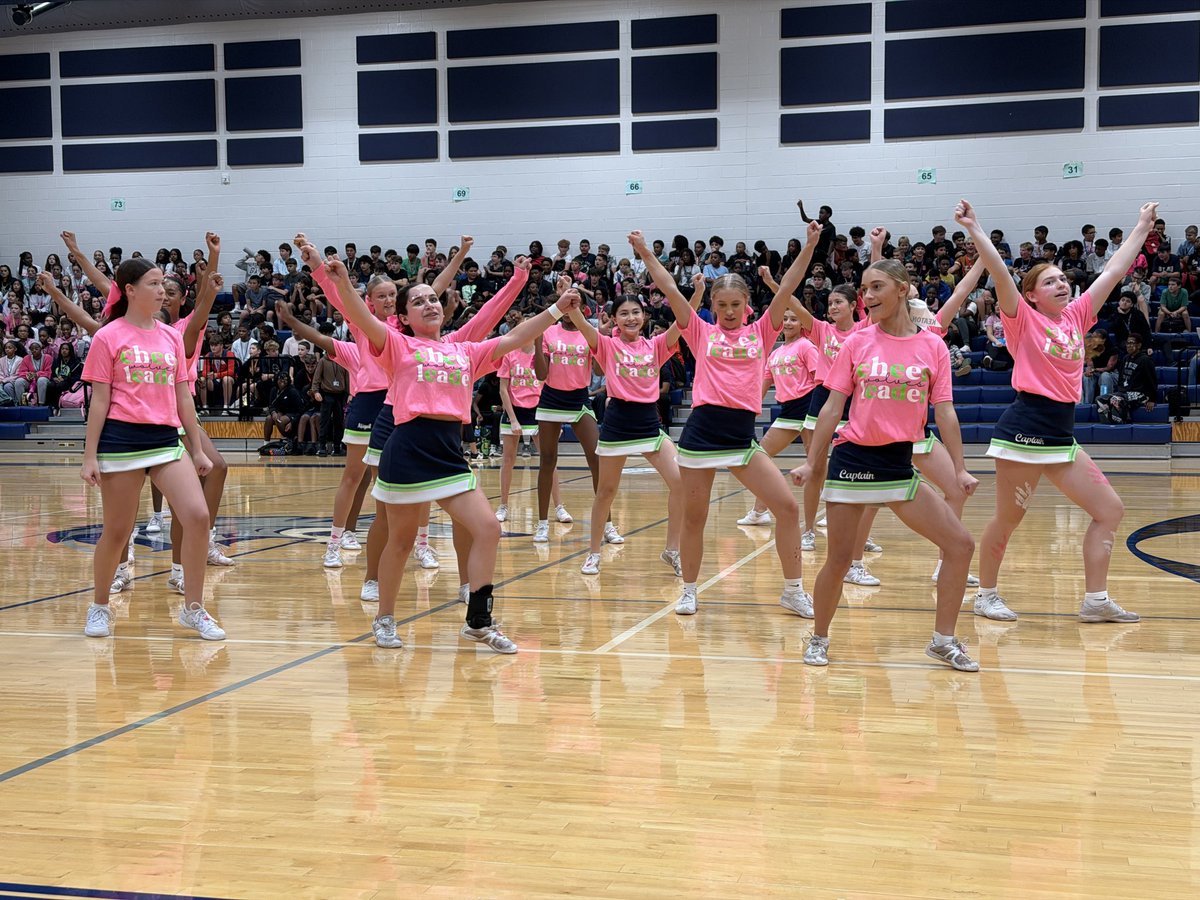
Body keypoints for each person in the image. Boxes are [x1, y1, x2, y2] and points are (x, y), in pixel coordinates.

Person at [319, 249, 584, 651]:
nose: (429, 304)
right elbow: (361, 317)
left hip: (449, 454)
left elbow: (513, 336)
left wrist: (556, 309)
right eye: (418, 301)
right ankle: (385, 618)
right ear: (404, 317)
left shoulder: (465, 352)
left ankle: (478, 620)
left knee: (488, 528)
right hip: (407, 451)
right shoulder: (397, 345)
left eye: (433, 299)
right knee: (402, 542)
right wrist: (337, 282)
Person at [955, 197, 1156, 624]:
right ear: (1031, 294)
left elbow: (1115, 270)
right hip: (1024, 432)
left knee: (1110, 510)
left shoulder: (1076, 317)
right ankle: (986, 594)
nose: (1062, 284)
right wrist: (975, 228)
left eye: (1063, 279)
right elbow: (999, 273)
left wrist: (1141, 226)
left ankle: (1096, 600)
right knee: (1008, 521)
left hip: (1061, 436)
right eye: (1050, 282)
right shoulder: (1022, 319)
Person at [791, 258, 978, 670]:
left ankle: (943, 641)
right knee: (839, 559)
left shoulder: (932, 346)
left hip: (899, 464)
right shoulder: (857, 342)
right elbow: (832, 408)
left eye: (876, 288)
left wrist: (960, 468)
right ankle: (819, 637)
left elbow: (945, 412)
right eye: (865, 289)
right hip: (854, 461)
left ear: (902, 289)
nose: (868, 296)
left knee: (961, 545)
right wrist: (811, 462)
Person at [630, 226, 811, 618]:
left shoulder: (763, 331)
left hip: (742, 438)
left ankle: (793, 590)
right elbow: (670, 288)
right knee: (696, 518)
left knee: (787, 509)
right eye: (722, 304)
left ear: (747, 304)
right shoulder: (699, 330)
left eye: (736, 304)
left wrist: (811, 244)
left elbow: (788, 286)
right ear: (713, 305)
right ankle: (690, 590)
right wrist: (645, 252)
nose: (729, 312)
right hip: (701, 436)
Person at [78, 258, 223, 641]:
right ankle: (99, 607)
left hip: (164, 439)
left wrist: (197, 448)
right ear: (129, 290)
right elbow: (99, 401)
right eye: (154, 283)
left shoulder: (170, 336)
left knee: (196, 515)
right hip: (122, 441)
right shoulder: (108, 337)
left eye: (163, 284)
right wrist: (89, 455)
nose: (161, 290)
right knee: (117, 532)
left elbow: (182, 396)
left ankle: (194, 607)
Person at [568, 274, 701, 577]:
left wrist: (697, 293)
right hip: (617, 426)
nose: (631, 317)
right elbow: (582, 325)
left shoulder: (655, 346)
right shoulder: (607, 345)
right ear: (614, 318)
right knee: (606, 492)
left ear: (644, 316)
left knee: (681, 482)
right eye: (624, 313)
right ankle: (593, 554)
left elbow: (683, 322)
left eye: (636, 312)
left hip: (649, 424)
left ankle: (672, 550)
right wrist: (570, 302)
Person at [532, 276, 610, 545]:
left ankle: (607, 524)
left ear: (582, 307)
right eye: (567, 301)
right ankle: (542, 524)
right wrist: (536, 341)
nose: (570, 307)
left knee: (597, 459)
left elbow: (599, 371)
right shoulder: (549, 331)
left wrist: (602, 341)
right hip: (551, 400)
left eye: (576, 302)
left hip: (579, 400)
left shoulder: (588, 332)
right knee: (547, 461)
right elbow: (541, 374)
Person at [493, 320, 570, 524]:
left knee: (548, 460)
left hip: (539, 412)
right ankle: (503, 506)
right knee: (508, 460)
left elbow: (550, 387)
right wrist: (513, 419)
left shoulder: (542, 356)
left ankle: (559, 507)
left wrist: (555, 419)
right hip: (514, 412)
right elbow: (503, 389)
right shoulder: (509, 354)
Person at [1097, 333, 1157, 424]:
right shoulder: (1125, 358)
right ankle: (1109, 422)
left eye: (1131, 343)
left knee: (1115, 400)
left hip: (1141, 394)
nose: (1128, 345)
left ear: (1139, 345)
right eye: (1127, 343)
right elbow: (1121, 378)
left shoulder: (1145, 360)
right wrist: (1120, 391)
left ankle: (1123, 420)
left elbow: (1152, 380)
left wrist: (1152, 399)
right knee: (1100, 399)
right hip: (1124, 393)